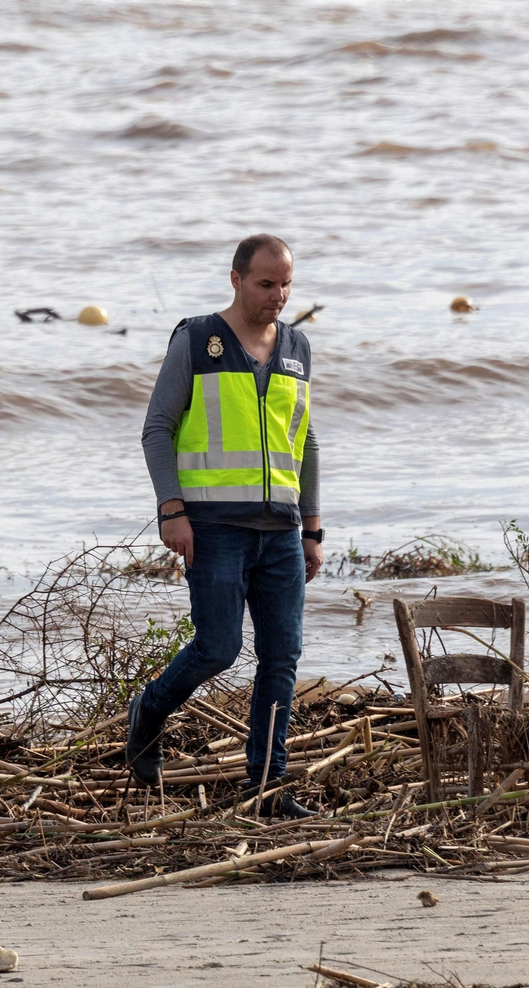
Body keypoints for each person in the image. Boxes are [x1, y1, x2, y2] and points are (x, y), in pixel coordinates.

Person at [128, 233, 322, 817]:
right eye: (267, 284)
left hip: (281, 530)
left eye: (286, 283)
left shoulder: (297, 347)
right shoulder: (196, 340)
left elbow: (305, 439)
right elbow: (157, 428)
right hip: (213, 526)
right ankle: (151, 710)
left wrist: (311, 527)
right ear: (236, 279)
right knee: (218, 647)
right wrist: (172, 510)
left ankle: (266, 786)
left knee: (282, 654)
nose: (279, 295)